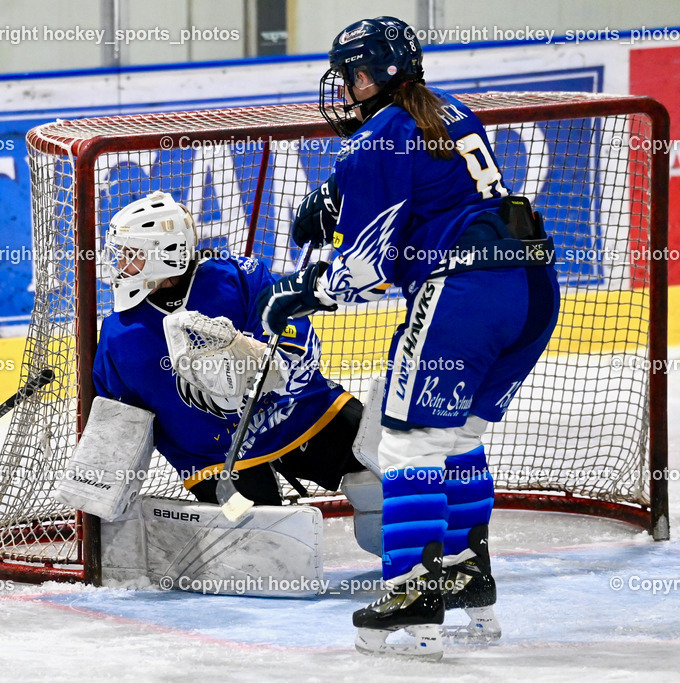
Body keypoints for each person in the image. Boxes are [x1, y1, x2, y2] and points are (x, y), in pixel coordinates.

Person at [256, 16, 560, 659]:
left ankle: (413, 597)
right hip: (532, 287)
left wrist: (302, 294)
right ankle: (467, 577)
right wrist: (338, 194)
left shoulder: (374, 140)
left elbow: (365, 269)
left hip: (465, 294)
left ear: (370, 75)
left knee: (405, 447)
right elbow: (432, 191)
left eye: (350, 76)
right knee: (458, 439)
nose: (344, 88)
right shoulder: (449, 110)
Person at [92, 190, 372, 514]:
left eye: (131, 253)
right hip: (212, 458)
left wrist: (254, 363)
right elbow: (121, 420)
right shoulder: (119, 334)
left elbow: (299, 350)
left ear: (166, 253)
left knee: (383, 458)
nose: (120, 264)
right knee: (262, 544)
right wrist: (102, 483)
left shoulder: (239, 276)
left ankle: (424, 553)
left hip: (296, 413)